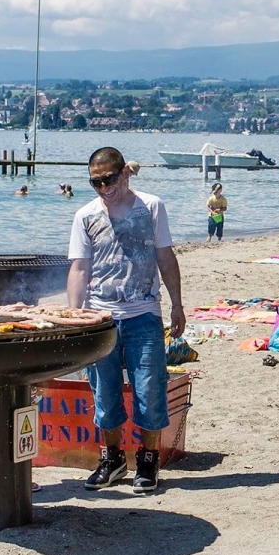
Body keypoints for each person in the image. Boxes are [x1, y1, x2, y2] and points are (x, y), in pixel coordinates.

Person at [70, 146, 187, 494]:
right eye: (95, 182)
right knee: (104, 393)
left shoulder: (151, 207)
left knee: (149, 390)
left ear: (125, 173)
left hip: (143, 314)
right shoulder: (86, 215)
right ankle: (113, 458)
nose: (104, 187)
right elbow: (79, 268)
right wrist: (75, 316)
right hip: (100, 318)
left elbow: (165, 256)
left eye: (109, 179)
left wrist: (177, 304)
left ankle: (148, 459)